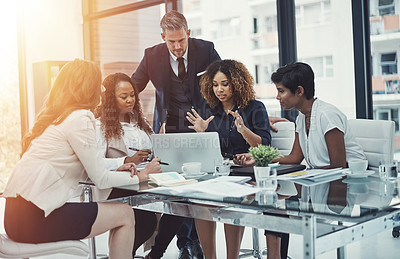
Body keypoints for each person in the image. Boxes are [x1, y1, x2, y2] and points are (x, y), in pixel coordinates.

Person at [2, 59, 156, 259]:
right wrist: (142, 176)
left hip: (16, 218)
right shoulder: (80, 118)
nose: (102, 89)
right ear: (87, 86)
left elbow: (89, 165)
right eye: (98, 83)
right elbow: (99, 178)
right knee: (125, 214)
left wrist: (120, 166)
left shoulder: (59, 118)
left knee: (122, 212)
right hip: (34, 219)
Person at [236, 62, 366, 259]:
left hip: (344, 188)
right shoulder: (301, 117)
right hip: (318, 183)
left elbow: (339, 166)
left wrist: (306, 174)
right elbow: (294, 157)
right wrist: (258, 157)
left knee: (283, 205)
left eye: (281, 91)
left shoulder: (327, 115)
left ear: (299, 91)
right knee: (275, 204)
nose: (277, 97)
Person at [131, 10, 221, 259]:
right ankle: (183, 245)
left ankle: (187, 244)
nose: (178, 46)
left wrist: (253, 114)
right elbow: (132, 87)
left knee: (195, 187)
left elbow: (227, 82)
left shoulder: (206, 50)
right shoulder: (152, 56)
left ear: (189, 33)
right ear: (163, 38)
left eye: (182, 40)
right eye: (171, 41)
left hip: (200, 128)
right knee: (175, 190)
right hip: (168, 130)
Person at [186, 59, 271, 259]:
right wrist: (202, 133)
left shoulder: (255, 108)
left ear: (237, 82)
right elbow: (208, 151)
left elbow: (265, 145)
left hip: (246, 174)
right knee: (200, 201)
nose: (219, 89)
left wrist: (244, 131)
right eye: (215, 85)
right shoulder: (210, 111)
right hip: (219, 173)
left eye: (225, 84)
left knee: (231, 201)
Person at [95, 72, 184, 259]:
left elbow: (153, 153)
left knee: (182, 200)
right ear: (111, 99)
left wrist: (161, 150)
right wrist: (127, 161)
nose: (130, 100)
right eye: (123, 96)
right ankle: (125, 253)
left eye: (132, 95)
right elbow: (95, 164)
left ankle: (156, 253)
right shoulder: (100, 127)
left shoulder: (140, 124)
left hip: (147, 180)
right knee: (146, 219)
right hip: (120, 184)